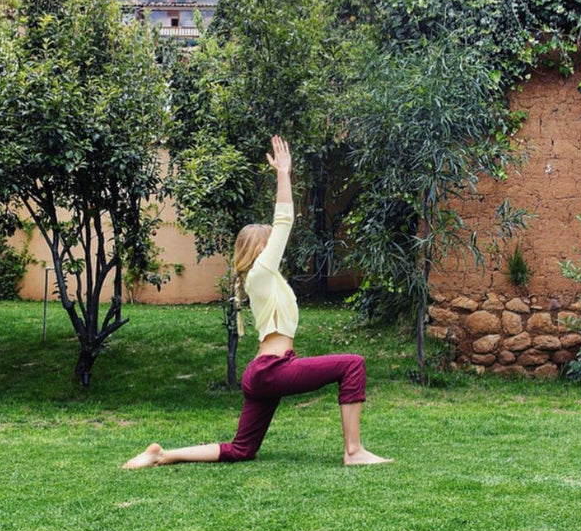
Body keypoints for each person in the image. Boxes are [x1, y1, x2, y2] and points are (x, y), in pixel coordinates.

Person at [123, 136, 392, 469]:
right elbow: (285, 221)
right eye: (270, 243)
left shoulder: (265, 278)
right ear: (260, 249)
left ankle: (162, 455)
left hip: (264, 372)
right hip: (272, 370)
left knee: (242, 449)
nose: (277, 247)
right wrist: (283, 173)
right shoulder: (261, 273)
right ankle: (354, 452)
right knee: (352, 364)